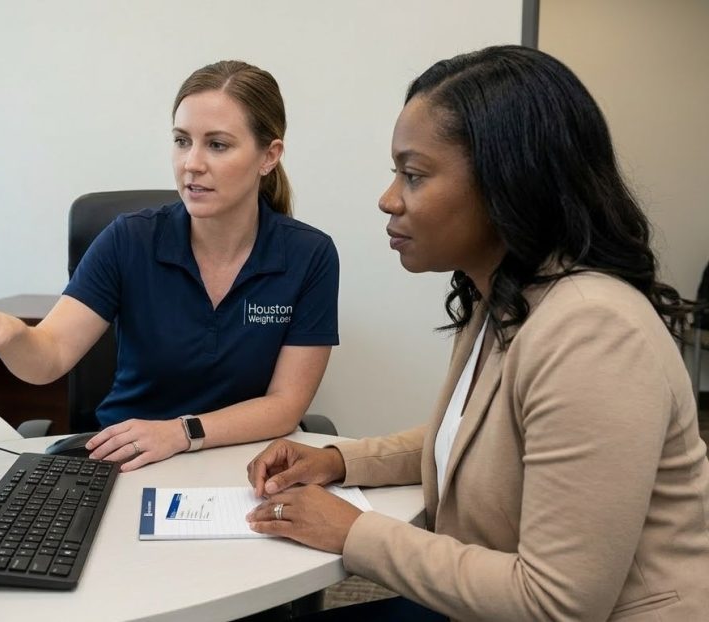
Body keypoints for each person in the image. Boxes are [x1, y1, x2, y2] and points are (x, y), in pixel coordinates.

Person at [245, 45, 709, 621]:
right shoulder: (507, 296)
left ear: (507, 182)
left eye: (413, 175)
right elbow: (476, 441)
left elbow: (554, 604)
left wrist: (354, 533)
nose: (388, 199)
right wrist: (340, 461)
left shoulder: (595, 332)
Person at [0, 60, 339, 471]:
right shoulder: (130, 239)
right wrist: (11, 335)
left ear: (269, 156)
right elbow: (51, 356)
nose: (192, 162)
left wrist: (180, 432)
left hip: (244, 465)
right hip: (125, 461)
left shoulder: (309, 255)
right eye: (181, 140)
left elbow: (285, 405)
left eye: (217, 144)